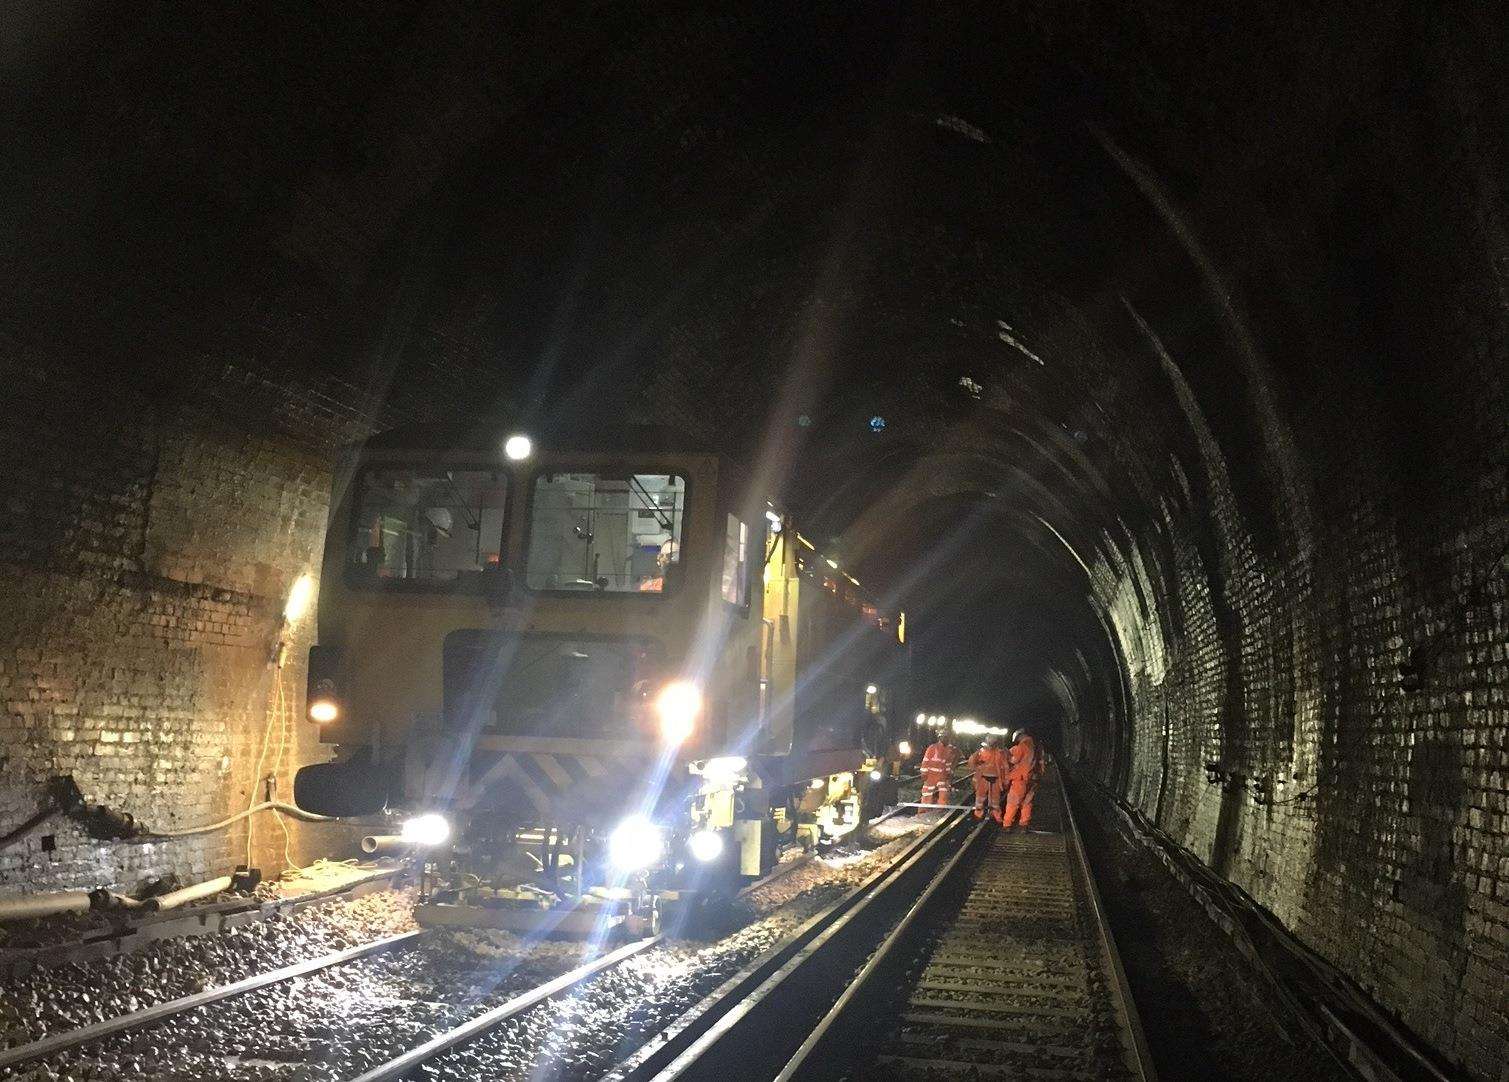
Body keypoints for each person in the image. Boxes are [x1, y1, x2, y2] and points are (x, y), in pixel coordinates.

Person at [1001, 728, 1044, 830]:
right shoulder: (1037, 746)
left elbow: (1014, 760)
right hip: (1033, 778)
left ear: (1019, 736)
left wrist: (1007, 754)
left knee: (1013, 802)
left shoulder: (1022, 746)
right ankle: (1024, 825)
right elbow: (1041, 762)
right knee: (1027, 802)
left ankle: (1007, 825)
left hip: (1020, 780)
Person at [968, 735, 1007, 822]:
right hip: (983, 778)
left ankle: (995, 816)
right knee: (980, 798)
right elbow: (972, 763)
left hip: (995, 779)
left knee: (995, 800)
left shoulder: (1000, 753)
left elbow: (1005, 767)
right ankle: (979, 815)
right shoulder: (980, 752)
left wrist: (1005, 780)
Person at [920, 734, 960, 806]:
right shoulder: (932, 748)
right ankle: (924, 809)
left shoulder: (948, 750)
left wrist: (949, 773)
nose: (946, 739)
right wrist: (924, 773)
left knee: (944, 792)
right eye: (944, 737)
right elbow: (925, 760)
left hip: (942, 775)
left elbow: (948, 763)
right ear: (940, 738)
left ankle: (941, 808)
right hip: (931, 775)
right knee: (927, 793)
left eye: (947, 738)